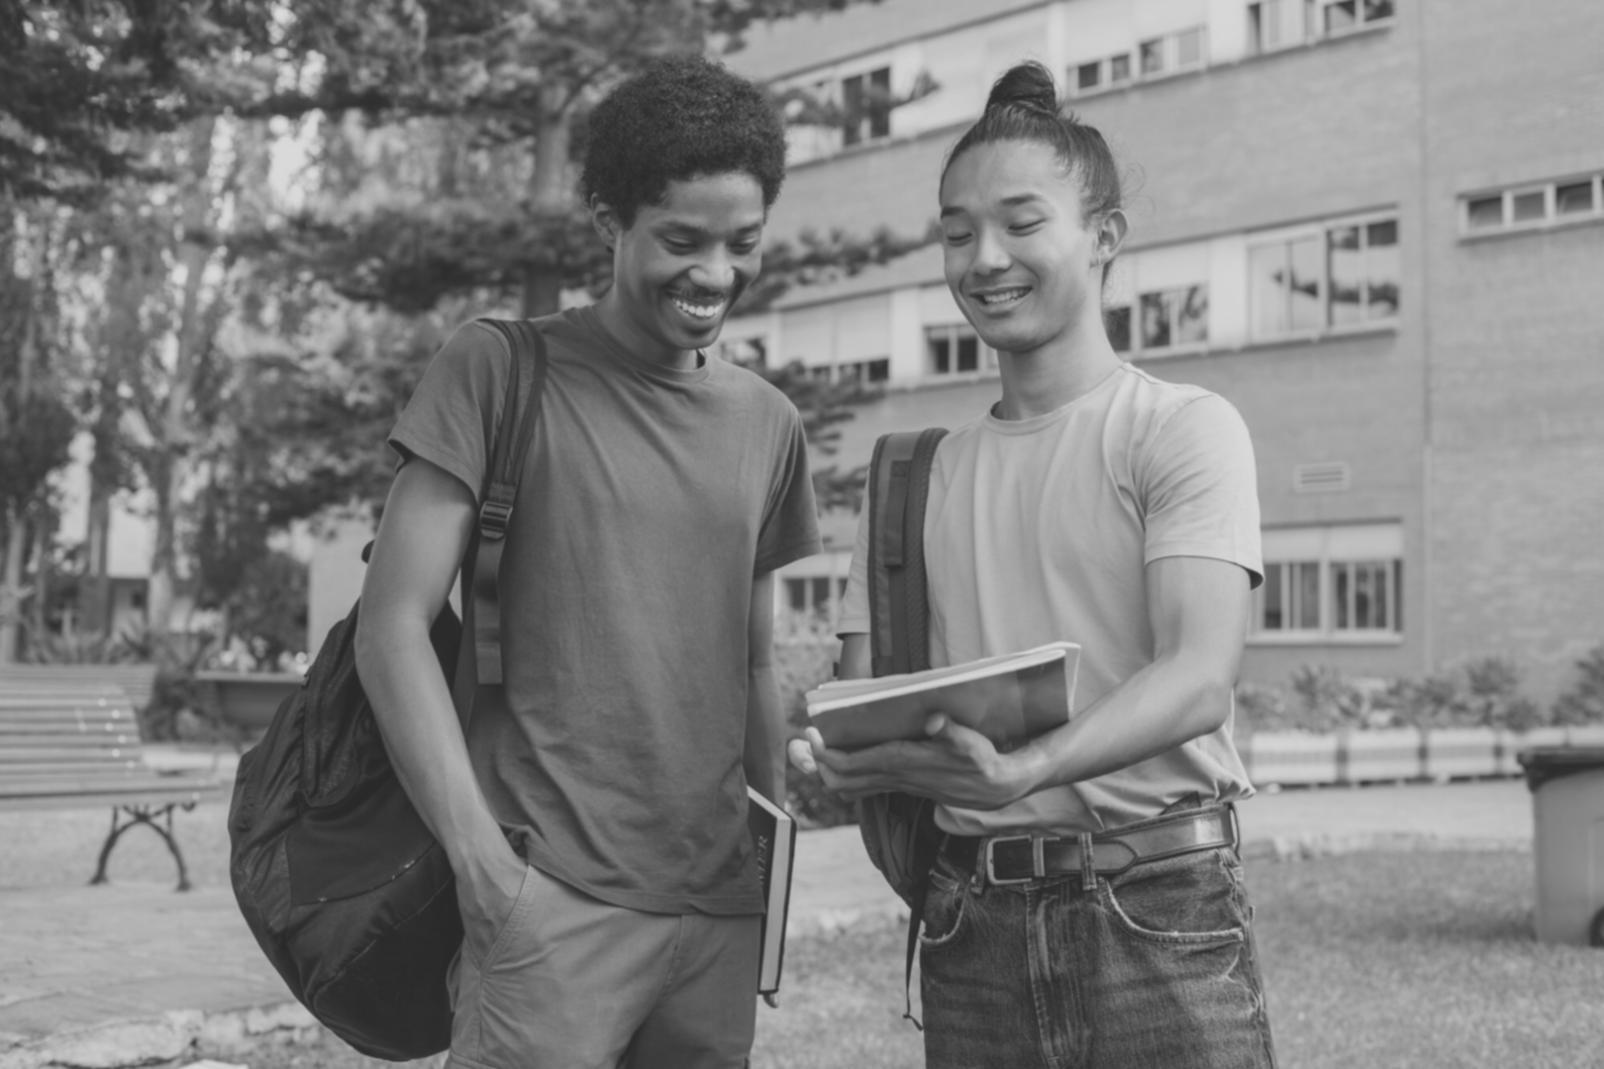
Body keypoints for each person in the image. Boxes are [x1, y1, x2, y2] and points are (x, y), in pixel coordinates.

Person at [792, 61, 1278, 1068]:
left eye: (1020, 223)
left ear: (1103, 236)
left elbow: (1196, 678)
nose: (983, 258)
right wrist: (836, 756)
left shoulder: (1180, 429)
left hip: (1155, 912)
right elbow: (863, 706)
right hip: (970, 925)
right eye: (956, 232)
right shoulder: (907, 480)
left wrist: (1027, 766)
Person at [354, 54, 821, 1069]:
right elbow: (389, 625)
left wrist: (767, 855)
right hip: (546, 902)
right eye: (680, 241)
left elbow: (749, 663)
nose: (713, 276)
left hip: (715, 914)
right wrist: (479, 865)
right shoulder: (496, 369)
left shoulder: (766, 424)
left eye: (741, 243)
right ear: (609, 221)